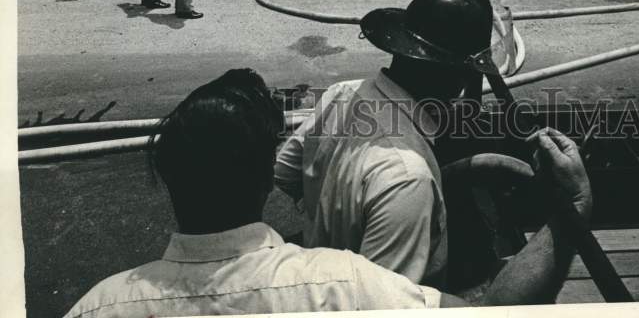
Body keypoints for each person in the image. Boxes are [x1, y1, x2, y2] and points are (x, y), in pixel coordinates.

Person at [64, 67, 590, 317]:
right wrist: (572, 211)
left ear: (170, 173)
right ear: (259, 166)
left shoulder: (98, 305)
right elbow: (500, 308)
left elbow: (295, 174)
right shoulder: (346, 287)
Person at [275, 0, 591, 295]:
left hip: (326, 275)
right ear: (461, 76)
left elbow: (285, 175)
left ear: (401, 47)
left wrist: (334, 209)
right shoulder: (408, 179)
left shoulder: (340, 95)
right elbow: (385, 307)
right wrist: (578, 203)